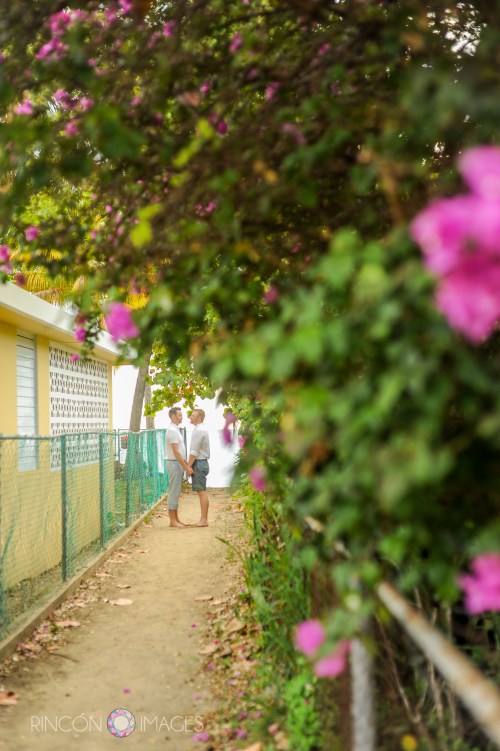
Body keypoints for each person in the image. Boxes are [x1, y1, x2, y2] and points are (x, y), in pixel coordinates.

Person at [165, 407, 192, 528]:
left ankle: (176, 519)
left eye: (181, 415)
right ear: (172, 416)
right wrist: (186, 467)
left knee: (177, 491)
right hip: (174, 463)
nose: (182, 417)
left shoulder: (175, 429)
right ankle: (172, 520)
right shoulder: (171, 430)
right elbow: (176, 452)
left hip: (177, 463)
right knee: (173, 491)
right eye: (179, 415)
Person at [188, 408, 210, 527]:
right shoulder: (201, 429)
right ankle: (203, 519)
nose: (190, 417)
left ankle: (204, 520)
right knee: (201, 492)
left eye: (193, 415)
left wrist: (188, 466)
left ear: (199, 418)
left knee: (201, 492)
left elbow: (194, 451)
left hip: (199, 463)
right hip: (202, 462)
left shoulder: (198, 430)